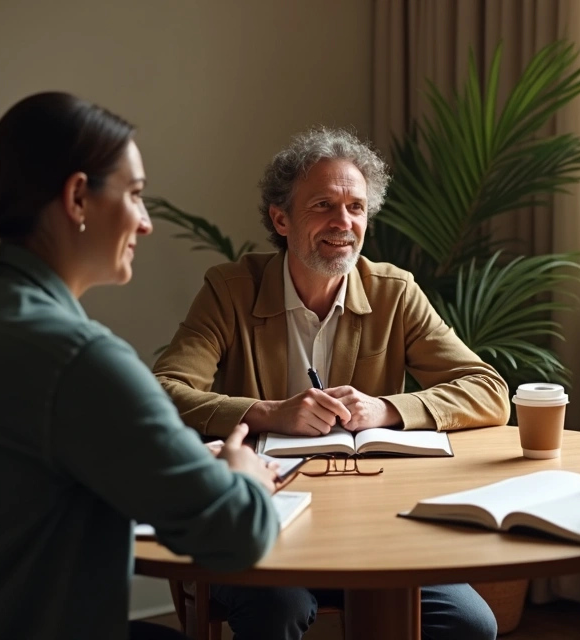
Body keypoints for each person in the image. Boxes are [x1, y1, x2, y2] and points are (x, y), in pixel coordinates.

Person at [0, 92, 281, 640]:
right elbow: (236, 537)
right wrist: (244, 474)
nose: (145, 223)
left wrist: (180, 461)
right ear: (77, 197)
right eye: (136, 196)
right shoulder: (74, 357)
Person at [151, 126, 507, 640]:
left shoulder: (393, 292)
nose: (344, 223)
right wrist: (269, 413)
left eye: (357, 208)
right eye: (323, 206)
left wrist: (383, 409)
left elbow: (487, 388)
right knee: (277, 609)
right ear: (281, 218)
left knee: (469, 623)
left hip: (374, 524)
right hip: (262, 521)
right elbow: (164, 389)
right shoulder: (228, 290)